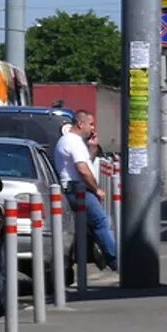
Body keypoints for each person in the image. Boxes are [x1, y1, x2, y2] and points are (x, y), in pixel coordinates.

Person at [56, 109, 117, 270]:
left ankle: (97, 254)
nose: (93, 128)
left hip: (75, 188)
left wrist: (92, 147)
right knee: (100, 222)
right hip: (77, 189)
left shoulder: (71, 141)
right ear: (80, 123)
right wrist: (96, 189)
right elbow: (82, 170)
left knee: (91, 227)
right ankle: (115, 260)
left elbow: (85, 162)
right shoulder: (73, 141)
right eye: (90, 124)